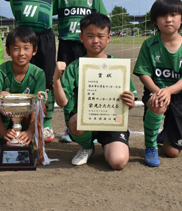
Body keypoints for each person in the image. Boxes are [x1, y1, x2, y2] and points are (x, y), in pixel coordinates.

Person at [53, 13, 137, 170]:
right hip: (85, 123)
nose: (96, 40)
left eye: (101, 36)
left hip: (112, 123)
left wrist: (130, 102)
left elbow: (129, 102)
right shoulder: (75, 67)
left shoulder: (118, 67)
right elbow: (62, 102)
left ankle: (109, 146)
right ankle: (87, 147)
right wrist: (56, 79)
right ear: (81, 37)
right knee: (75, 121)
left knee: (118, 162)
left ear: (109, 37)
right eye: (90, 36)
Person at [0, 0, 56, 143]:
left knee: (47, 81)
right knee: (23, 76)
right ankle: (16, 120)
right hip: (24, 37)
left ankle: (46, 124)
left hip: (45, 37)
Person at [133, 0, 182, 167]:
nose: (168, 19)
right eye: (162, 16)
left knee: (172, 152)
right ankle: (150, 146)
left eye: (173, 15)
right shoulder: (149, 44)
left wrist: (170, 91)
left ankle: (162, 136)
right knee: (158, 103)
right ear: (155, 21)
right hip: (154, 90)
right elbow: (144, 74)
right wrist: (158, 91)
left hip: (178, 94)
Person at [54, 0, 109, 143]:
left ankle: (93, 126)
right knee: (68, 86)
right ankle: (70, 126)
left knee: (89, 85)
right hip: (66, 45)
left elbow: (103, 20)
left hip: (87, 47)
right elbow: (43, 5)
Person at [0, 27, 46, 151]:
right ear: (8, 51)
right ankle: (0, 136)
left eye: (26, 48)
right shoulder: (0, 72)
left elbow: (39, 107)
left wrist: (30, 131)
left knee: (39, 104)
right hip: (4, 118)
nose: (21, 53)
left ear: (34, 51)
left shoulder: (38, 73)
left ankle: (27, 134)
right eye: (16, 48)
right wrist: (4, 132)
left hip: (26, 119)